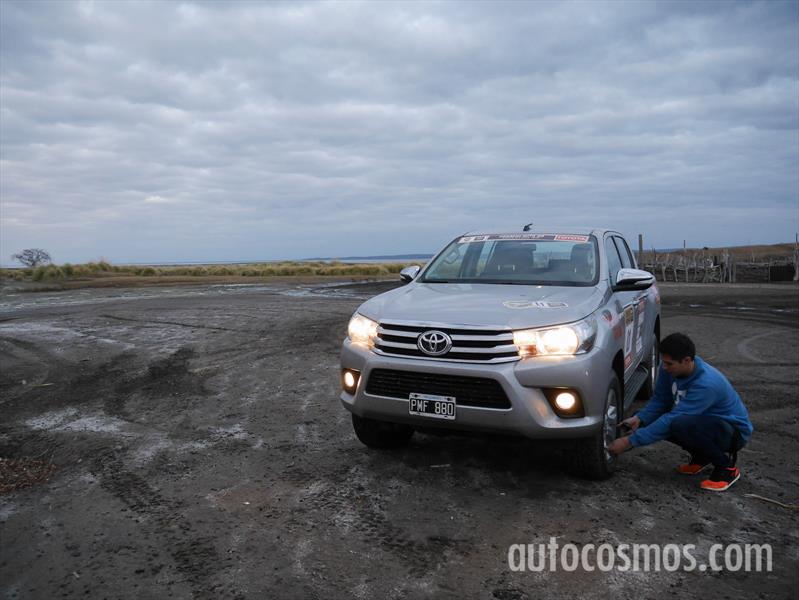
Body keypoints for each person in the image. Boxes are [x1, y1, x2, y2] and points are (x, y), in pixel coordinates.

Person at [608, 332, 753, 492]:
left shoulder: (707, 384)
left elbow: (673, 419)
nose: (664, 367)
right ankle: (702, 457)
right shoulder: (670, 370)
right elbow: (661, 401)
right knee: (649, 421)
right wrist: (640, 418)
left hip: (732, 433)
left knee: (679, 424)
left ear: (687, 361)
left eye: (669, 364)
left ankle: (726, 468)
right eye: (664, 362)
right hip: (702, 423)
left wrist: (629, 441)